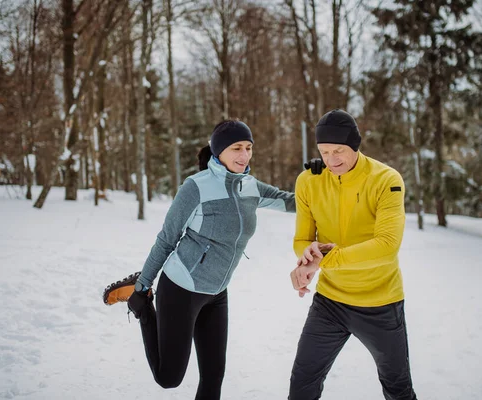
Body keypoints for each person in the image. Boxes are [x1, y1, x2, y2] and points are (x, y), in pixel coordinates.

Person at [103, 120, 295, 400]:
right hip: (181, 288)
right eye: (237, 148)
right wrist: (144, 285)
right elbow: (167, 239)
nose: (244, 155)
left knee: (213, 375)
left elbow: (292, 201)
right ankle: (142, 305)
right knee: (169, 378)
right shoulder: (196, 187)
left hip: (217, 293)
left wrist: (321, 180)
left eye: (249, 148)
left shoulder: (250, 187)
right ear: (219, 152)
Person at [288, 109, 418, 400]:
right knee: (302, 385)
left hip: (380, 303)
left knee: (397, 388)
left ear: (355, 146)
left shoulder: (386, 179)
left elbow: (387, 245)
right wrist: (306, 259)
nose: (331, 160)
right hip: (330, 303)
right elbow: (302, 239)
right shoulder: (308, 181)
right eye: (324, 152)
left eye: (339, 151)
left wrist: (325, 260)